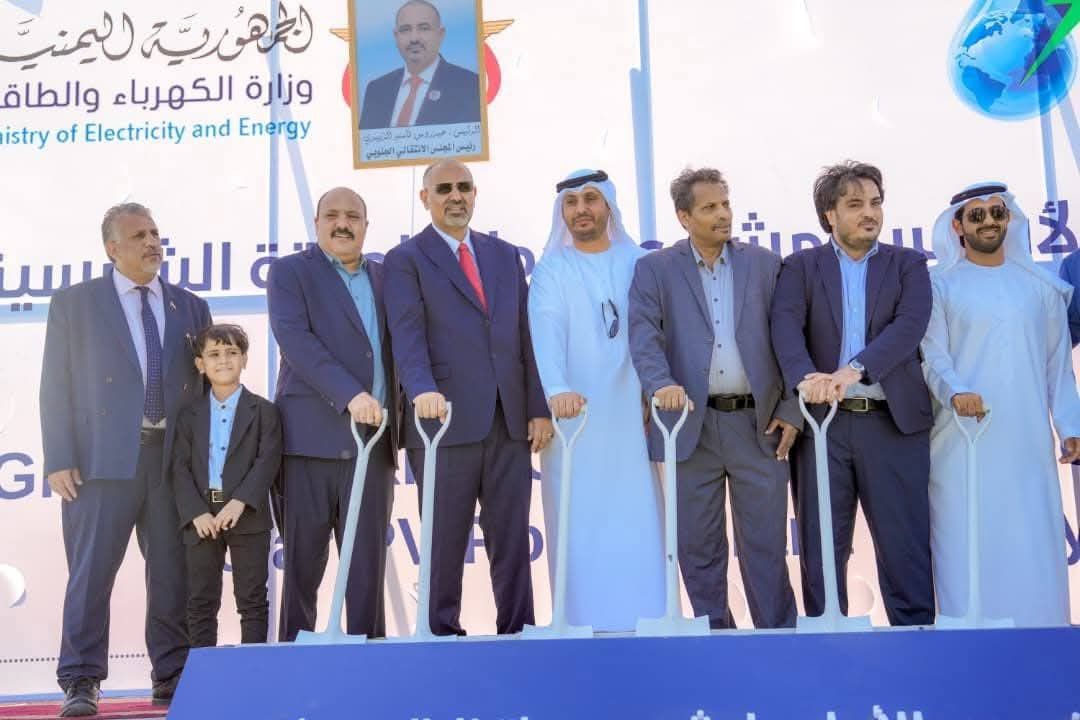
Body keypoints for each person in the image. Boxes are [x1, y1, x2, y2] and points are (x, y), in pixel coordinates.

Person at [40, 202, 211, 716]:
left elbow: (204, 391)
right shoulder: (75, 304)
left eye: (155, 233)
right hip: (100, 463)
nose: (152, 242)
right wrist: (59, 457)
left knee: (172, 573)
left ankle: (172, 674)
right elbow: (55, 383)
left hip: (171, 463)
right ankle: (81, 679)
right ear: (112, 248)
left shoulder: (189, 307)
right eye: (139, 236)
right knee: (91, 574)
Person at [384, 159, 552, 636]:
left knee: (512, 538)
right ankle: (440, 635)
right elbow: (407, 336)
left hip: (508, 420)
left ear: (475, 194)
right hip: (442, 422)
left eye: (464, 187)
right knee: (443, 540)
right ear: (425, 199)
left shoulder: (504, 255)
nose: (455, 196)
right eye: (444, 189)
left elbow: (525, 334)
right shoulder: (406, 260)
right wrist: (422, 390)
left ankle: (518, 634)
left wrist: (537, 408)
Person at [629, 167, 799, 629]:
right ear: (684, 217)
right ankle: (714, 642)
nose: (723, 214)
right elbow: (644, 338)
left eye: (725, 203)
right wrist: (660, 385)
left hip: (758, 426)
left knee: (766, 546)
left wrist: (791, 410)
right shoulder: (655, 269)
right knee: (698, 549)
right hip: (688, 427)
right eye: (709, 207)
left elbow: (791, 340)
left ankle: (778, 642)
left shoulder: (765, 264)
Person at [770, 161, 935, 626]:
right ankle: (828, 643)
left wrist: (853, 370)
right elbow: (785, 328)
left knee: (905, 549)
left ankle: (915, 643)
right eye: (856, 204)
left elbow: (909, 327)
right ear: (830, 215)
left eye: (876, 203)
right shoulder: (800, 267)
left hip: (893, 425)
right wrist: (807, 378)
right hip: (823, 426)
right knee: (822, 547)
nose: (870, 213)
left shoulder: (908, 264)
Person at [922, 182, 1080, 626]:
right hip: (962, 443)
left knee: (1032, 542)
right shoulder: (938, 286)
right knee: (967, 544)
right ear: (957, 226)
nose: (989, 222)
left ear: (1010, 218)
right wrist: (956, 392)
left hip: (1027, 443)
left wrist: (1070, 425)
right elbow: (933, 356)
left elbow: (1057, 367)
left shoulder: (1040, 288)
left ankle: (1040, 641)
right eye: (977, 215)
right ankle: (968, 645)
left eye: (998, 212)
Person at [527, 169, 664, 631]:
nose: (581, 209)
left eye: (590, 199)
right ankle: (581, 622)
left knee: (639, 519)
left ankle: (649, 619)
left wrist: (652, 389)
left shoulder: (640, 263)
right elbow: (546, 331)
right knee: (578, 523)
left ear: (609, 205)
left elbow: (657, 331)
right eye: (571, 202)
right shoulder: (552, 269)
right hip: (575, 422)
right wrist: (556, 390)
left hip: (633, 418)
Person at [267, 187, 400, 641]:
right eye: (332, 215)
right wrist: (351, 395)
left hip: (374, 445)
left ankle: (369, 662)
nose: (342, 224)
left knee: (367, 570)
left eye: (353, 216)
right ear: (317, 222)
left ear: (365, 225)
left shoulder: (386, 277)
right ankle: (294, 664)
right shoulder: (290, 272)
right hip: (309, 442)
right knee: (302, 569)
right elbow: (296, 341)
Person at [172, 324, 282, 648]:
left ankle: (254, 669)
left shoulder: (265, 411)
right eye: (214, 354)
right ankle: (204, 670)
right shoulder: (187, 415)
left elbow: (267, 461)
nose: (223, 360)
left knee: (252, 599)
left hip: (247, 515)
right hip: (202, 517)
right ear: (200, 364)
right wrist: (197, 512)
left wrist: (239, 502)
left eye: (232, 352)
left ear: (244, 359)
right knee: (200, 600)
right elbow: (178, 467)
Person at [358, 0, 482, 130]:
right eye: (405, 30)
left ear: (440, 35)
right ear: (396, 36)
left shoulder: (470, 86)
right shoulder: (376, 90)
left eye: (424, 28)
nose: (414, 38)